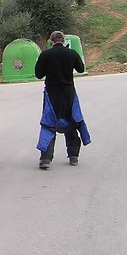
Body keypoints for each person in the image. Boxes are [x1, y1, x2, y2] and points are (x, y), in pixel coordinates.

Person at [34, 30, 91, 169]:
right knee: (71, 123)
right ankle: (73, 157)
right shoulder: (71, 53)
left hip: (52, 94)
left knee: (49, 124)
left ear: (51, 42)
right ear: (63, 41)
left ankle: (46, 159)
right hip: (68, 93)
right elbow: (81, 68)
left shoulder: (45, 55)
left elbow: (38, 74)